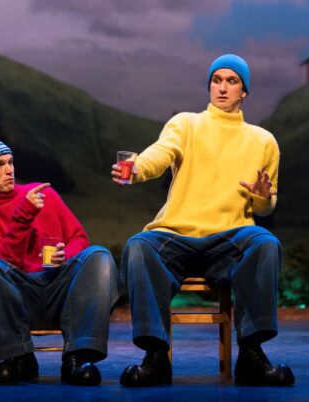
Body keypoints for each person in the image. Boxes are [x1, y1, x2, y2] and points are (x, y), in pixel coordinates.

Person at [111, 54, 294, 387]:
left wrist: (262, 197)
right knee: (139, 246)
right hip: (176, 236)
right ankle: (155, 357)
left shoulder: (263, 141)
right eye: (216, 80)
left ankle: (251, 355)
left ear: (244, 91)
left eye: (231, 81)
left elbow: (266, 207)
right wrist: (137, 168)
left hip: (229, 238)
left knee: (266, 244)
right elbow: (160, 153)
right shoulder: (186, 124)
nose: (222, 88)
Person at [0, 136, 120, 386]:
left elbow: (79, 238)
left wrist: (65, 255)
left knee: (100, 256)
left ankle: (78, 357)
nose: (9, 170)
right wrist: (23, 216)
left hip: (61, 290)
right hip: (20, 298)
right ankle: (19, 357)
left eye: (11, 162)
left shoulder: (43, 194)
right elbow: (2, 265)